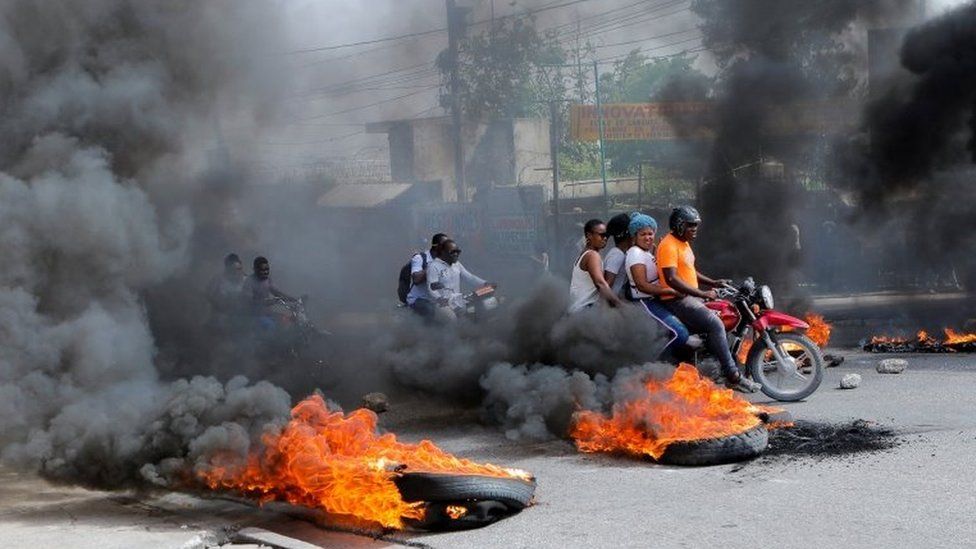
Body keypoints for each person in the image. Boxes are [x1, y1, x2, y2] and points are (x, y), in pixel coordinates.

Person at [656, 206, 762, 393]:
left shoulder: (683, 244)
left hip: (690, 297)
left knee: (724, 315)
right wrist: (703, 294)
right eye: (691, 225)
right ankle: (732, 376)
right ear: (679, 225)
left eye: (696, 225)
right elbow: (672, 278)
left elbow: (689, 270)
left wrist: (713, 282)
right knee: (715, 324)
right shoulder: (668, 245)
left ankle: (718, 366)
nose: (695, 229)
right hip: (677, 300)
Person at [623, 214, 697, 359]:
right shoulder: (635, 254)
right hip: (645, 301)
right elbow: (642, 285)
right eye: (642, 234)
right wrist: (669, 290)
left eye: (650, 233)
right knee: (679, 334)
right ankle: (655, 366)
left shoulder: (646, 253)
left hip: (655, 300)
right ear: (634, 236)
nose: (647, 237)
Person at [426, 239, 493, 320]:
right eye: (452, 252)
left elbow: (470, 277)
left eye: (457, 252)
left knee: (472, 314)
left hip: (458, 301)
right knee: (452, 319)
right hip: (442, 304)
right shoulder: (433, 266)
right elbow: (431, 287)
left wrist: (485, 283)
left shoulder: (457, 264)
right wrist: (439, 298)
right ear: (443, 252)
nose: (456, 254)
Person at [568, 219, 623, 313]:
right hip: (584, 311)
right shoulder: (592, 255)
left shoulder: (585, 254)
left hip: (578, 310)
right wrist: (622, 306)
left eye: (606, 235)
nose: (605, 238)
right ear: (589, 235)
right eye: (601, 235)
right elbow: (600, 284)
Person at [244, 256, 298, 330]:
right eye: (262, 270)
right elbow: (248, 302)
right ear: (255, 269)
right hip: (255, 316)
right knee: (271, 326)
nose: (266, 272)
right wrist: (267, 302)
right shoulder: (249, 282)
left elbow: (277, 292)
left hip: (267, 313)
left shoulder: (267, 279)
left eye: (267, 269)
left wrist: (294, 299)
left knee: (288, 321)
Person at [405, 233, 449, 319]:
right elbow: (416, 279)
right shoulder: (419, 258)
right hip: (418, 300)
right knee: (429, 310)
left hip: (435, 300)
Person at [603, 213, 632, 298]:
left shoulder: (621, 253)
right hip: (611, 304)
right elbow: (607, 285)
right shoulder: (617, 255)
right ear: (628, 233)